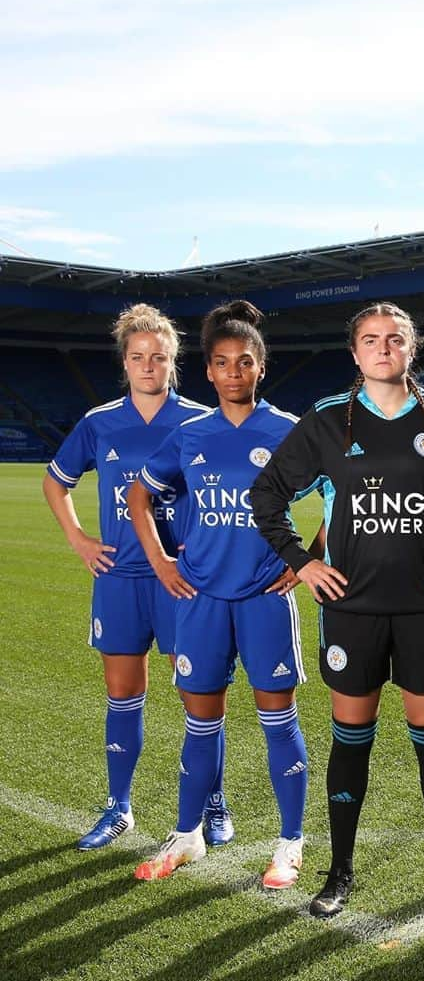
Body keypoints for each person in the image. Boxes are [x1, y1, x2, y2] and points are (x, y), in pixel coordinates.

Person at [250, 301, 424, 920]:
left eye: (395, 339)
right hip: (351, 610)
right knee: (351, 740)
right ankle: (339, 872)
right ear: (356, 353)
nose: (383, 348)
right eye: (371, 339)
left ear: (410, 349)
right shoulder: (329, 421)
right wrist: (302, 561)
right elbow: (267, 495)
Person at [126, 300, 313, 889]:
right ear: (208, 371)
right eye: (222, 363)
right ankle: (187, 837)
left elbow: (339, 488)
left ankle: (290, 843)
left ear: (261, 367)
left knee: (276, 718)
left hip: (263, 597)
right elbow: (139, 496)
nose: (234, 371)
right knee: (200, 722)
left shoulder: (287, 431)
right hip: (201, 599)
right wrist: (160, 560)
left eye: (245, 362)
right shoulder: (189, 436)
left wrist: (312, 557)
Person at [41, 304, 238, 851]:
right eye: (137, 357)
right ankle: (118, 806)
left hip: (184, 581)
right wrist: (80, 539)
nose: (148, 365)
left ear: (173, 360)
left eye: (158, 356)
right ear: (124, 362)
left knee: (198, 698)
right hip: (120, 578)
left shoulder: (204, 420)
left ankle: (213, 803)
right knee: (122, 693)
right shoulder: (99, 422)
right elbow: (55, 483)